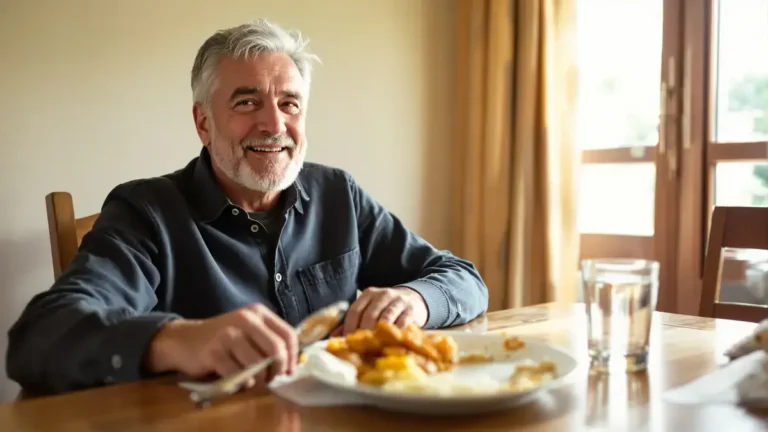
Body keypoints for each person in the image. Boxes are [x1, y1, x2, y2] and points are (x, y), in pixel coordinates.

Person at [6, 18, 488, 396]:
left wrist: (416, 301)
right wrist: (174, 341)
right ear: (203, 122)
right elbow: (39, 338)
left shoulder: (339, 194)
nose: (273, 124)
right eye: (246, 102)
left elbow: (463, 278)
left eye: (290, 103)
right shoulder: (146, 212)